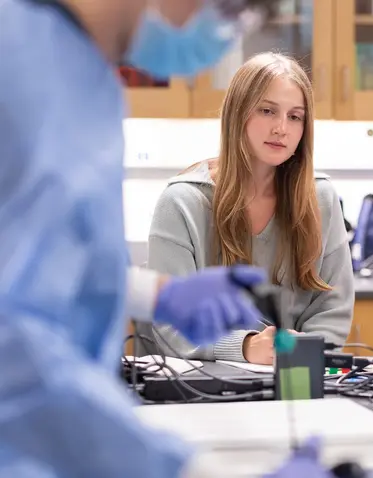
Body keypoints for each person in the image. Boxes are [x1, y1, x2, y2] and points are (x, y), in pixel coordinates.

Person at [0, 0, 333, 476]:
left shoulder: (87, 79)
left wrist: (157, 294)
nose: (224, 28)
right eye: (230, 8)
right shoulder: (17, 61)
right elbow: (15, 345)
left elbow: (52, 265)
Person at [141, 52, 354, 365]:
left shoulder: (321, 198)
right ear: (237, 114)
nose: (282, 128)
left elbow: (331, 311)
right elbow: (171, 324)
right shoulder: (182, 202)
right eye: (267, 111)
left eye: (295, 116)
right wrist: (246, 347)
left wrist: (301, 356)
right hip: (199, 390)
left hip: (292, 381)